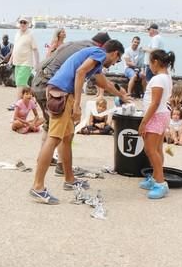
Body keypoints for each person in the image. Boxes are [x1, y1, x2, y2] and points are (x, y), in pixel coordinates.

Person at [29, 40, 130, 205]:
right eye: (117, 61)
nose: (113, 65)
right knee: (54, 138)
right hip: (62, 94)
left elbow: (104, 83)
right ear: (115, 53)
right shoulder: (99, 53)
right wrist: (76, 104)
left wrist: (121, 95)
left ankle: (69, 179)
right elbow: (80, 72)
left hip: (60, 92)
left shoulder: (95, 60)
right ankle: (37, 187)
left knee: (67, 137)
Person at [31, 33, 109, 175]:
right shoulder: (96, 51)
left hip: (39, 81)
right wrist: (77, 105)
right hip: (55, 88)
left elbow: (98, 78)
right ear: (103, 46)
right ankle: (45, 178)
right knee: (57, 135)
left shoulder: (78, 43)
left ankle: (55, 167)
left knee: (55, 129)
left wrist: (119, 92)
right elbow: (83, 73)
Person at [138, 49, 175, 199]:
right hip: (162, 115)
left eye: (149, 63)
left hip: (155, 116)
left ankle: (160, 182)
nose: (148, 66)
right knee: (157, 149)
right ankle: (155, 177)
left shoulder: (158, 79)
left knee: (150, 150)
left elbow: (155, 102)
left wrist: (144, 122)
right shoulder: (166, 77)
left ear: (155, 62)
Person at [9, 16, 39, 111]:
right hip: (17, 62)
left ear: (28, 24)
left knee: (19, 84)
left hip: (26, 63)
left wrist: (37, 64)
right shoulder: (17, 34)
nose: (22, 24)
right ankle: (34, 99)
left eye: (24, 22)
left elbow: (35, 50)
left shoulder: (30, 35)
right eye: (21, 22)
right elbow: (15, 48)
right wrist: (10, 60)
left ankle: (17, 104)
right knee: (23, 84)